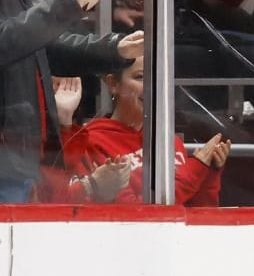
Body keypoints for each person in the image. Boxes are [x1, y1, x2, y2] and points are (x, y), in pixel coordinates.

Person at [0, 0, 144, 203]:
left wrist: (114, 49)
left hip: (19, 158)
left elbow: (36, 46)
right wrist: (69, 4)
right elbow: (6, 42)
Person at [60, 56, 229, 205]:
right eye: (140, 77)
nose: (151, 86)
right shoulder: (93, 142)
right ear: (113, 84)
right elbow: (136, 214)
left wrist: (209, 174)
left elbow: (200, 215)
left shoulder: (169, 141)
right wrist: (196, 168)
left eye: (157, 76)